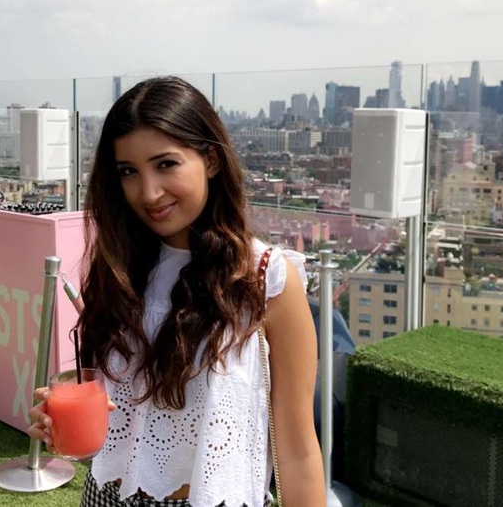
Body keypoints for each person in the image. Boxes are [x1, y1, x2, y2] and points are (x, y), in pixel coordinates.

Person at [28, 76, 326, 507]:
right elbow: (123, 407)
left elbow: (297, 449)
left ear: (211, 160)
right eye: (129, 172)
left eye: (166, 164)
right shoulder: (119, 266)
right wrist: (63, 420)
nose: (149, 193)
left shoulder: (266, 278)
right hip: (105, 495)